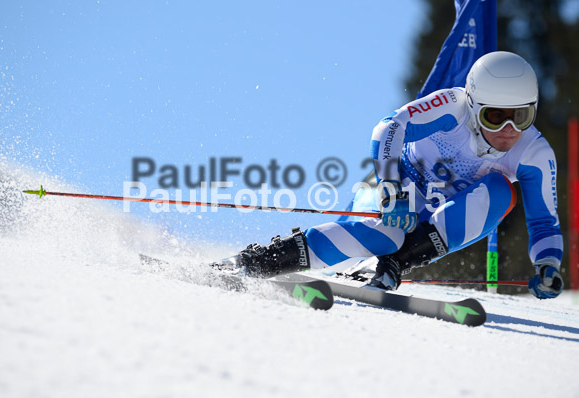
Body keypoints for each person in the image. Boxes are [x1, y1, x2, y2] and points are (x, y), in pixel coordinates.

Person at [212, 51, 564, 300]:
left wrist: (548, 264)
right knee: (386, 232)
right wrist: (391, 188)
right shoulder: (451, 108)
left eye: (520, 117)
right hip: (395, 189)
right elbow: (388, 128)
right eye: (494, 117)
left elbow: (545, 223)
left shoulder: (534, 154)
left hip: (438, 221)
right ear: (473, 106)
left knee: (503, 192)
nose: (507, 130)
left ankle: (391, 267)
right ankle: (252, 262)